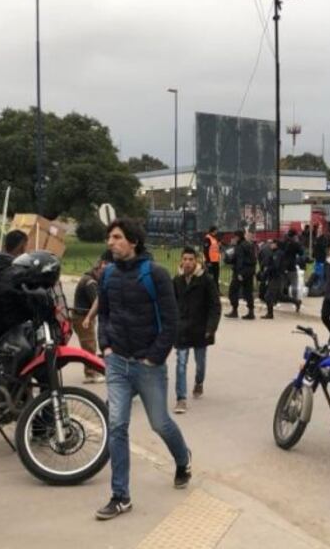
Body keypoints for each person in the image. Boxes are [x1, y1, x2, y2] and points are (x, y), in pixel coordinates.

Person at [96, 219, 191, 520]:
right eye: (109, 237)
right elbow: (104, 315)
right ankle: (120, 496)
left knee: (159, 423)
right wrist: (106, 347)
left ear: (133, 241)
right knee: (117, 427)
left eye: (117, 237)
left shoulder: (156, 275)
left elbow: (172, 321)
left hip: (148, 365)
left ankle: (182, 459)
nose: (110, 242)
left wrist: (153, 357)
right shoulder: (107, 274)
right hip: (117, 362)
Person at [173, 247, 221, 413]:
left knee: (200, 363)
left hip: (201, 329)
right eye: (184, 259)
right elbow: (171, 303)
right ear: (181, 260)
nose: (187, 262)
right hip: (182, 330)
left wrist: (211, 327)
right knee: (180, 363)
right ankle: (181, 398)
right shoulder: (177, 280)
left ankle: (199, 381)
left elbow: (215, 305)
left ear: (197, 261)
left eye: (191, 259)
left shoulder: (206, 280)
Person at [72, 251, 110, 384]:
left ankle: (93, 369)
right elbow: (98, 302)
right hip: (82, 317)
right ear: (100, 266)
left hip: (82, 316)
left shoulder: (90, 279)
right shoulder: (90, 283)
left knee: (89, 345)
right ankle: (90, 374)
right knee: (89, 346)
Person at [225, 230, 256, 320]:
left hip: (241, 272)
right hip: (249, 271)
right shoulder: (248, 245)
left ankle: (234, 310)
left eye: (234, 237)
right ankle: (251, 311)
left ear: (237, 237)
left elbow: (240, 260)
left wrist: (239, 273)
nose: (233, 239)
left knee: (233, 291)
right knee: (248, 291)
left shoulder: (240, 246)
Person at [202, 226, 221, 293]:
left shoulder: (215, 238)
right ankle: (210, 291)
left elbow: (216, 249)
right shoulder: (207, 238)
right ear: (213, 231)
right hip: (210, 261)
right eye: (216, 231)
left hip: (216, 260)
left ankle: (216, 291)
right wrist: (208, 261)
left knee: (216, 277)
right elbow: (206, 250)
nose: (217, 232)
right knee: (210, 277)